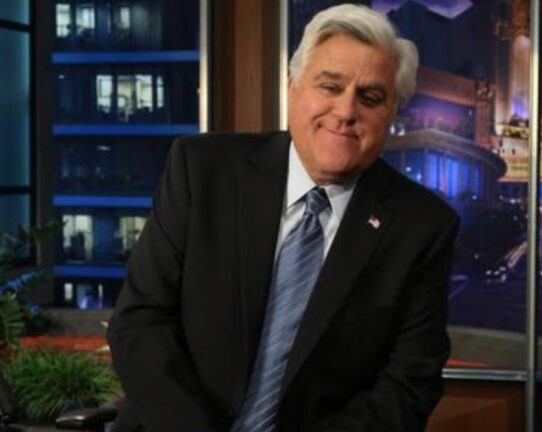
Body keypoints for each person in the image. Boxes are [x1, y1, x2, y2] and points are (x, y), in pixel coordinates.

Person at [107, 4, 459, 431]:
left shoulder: (422, 226)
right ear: (292, 88)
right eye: (330, 86)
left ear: (393, 112)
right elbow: (140, 322)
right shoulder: (202, 170)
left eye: (370, 97)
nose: (346, 111)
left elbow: (407, 387)